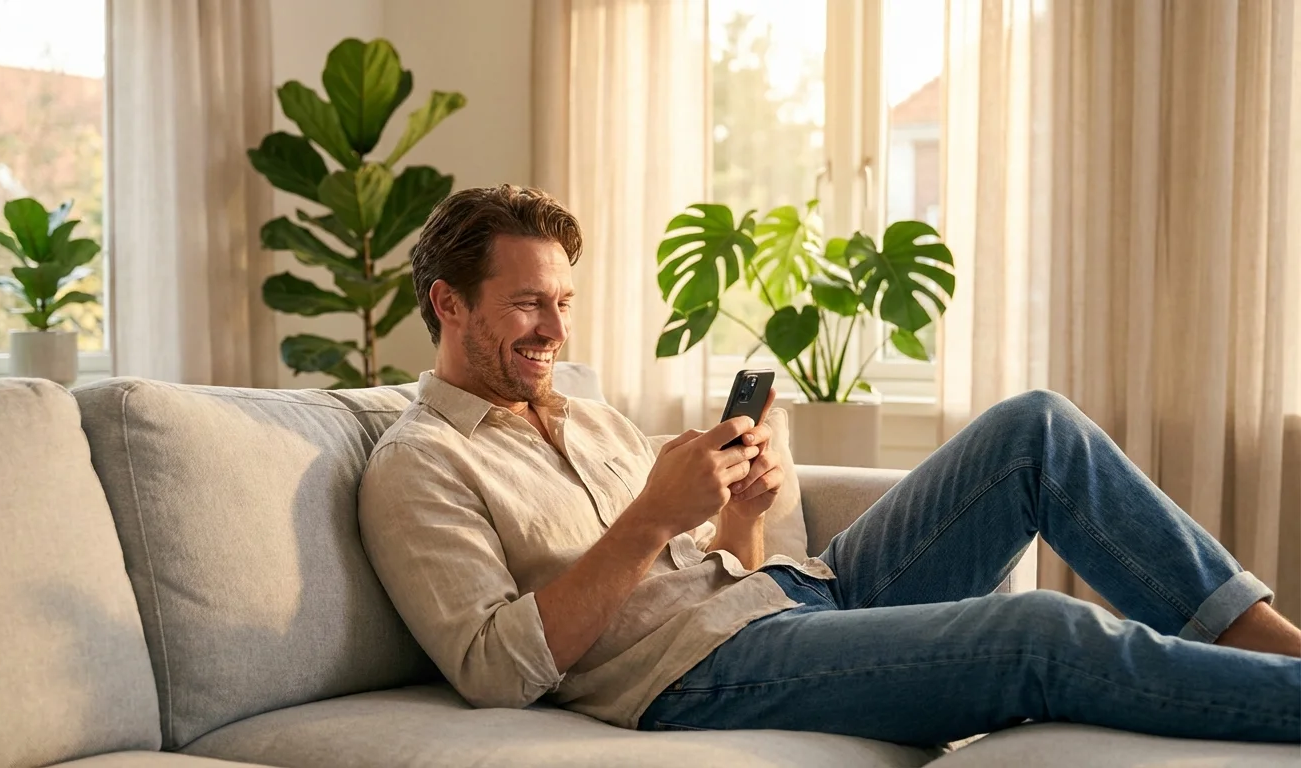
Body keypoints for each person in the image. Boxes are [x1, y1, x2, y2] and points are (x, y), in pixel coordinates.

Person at [359, 184, 1301, 747]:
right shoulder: (418, 467)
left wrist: (743, 509)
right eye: (530, 305)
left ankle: (1269, 641)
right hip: (701, 678)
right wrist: (649, 519)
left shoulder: (586, 417)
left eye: (564, 301)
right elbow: (492, 669)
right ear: (448, 303)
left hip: (786, 597)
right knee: (1039, 634)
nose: (558, 331)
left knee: (1034, 429)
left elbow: (713, 564)